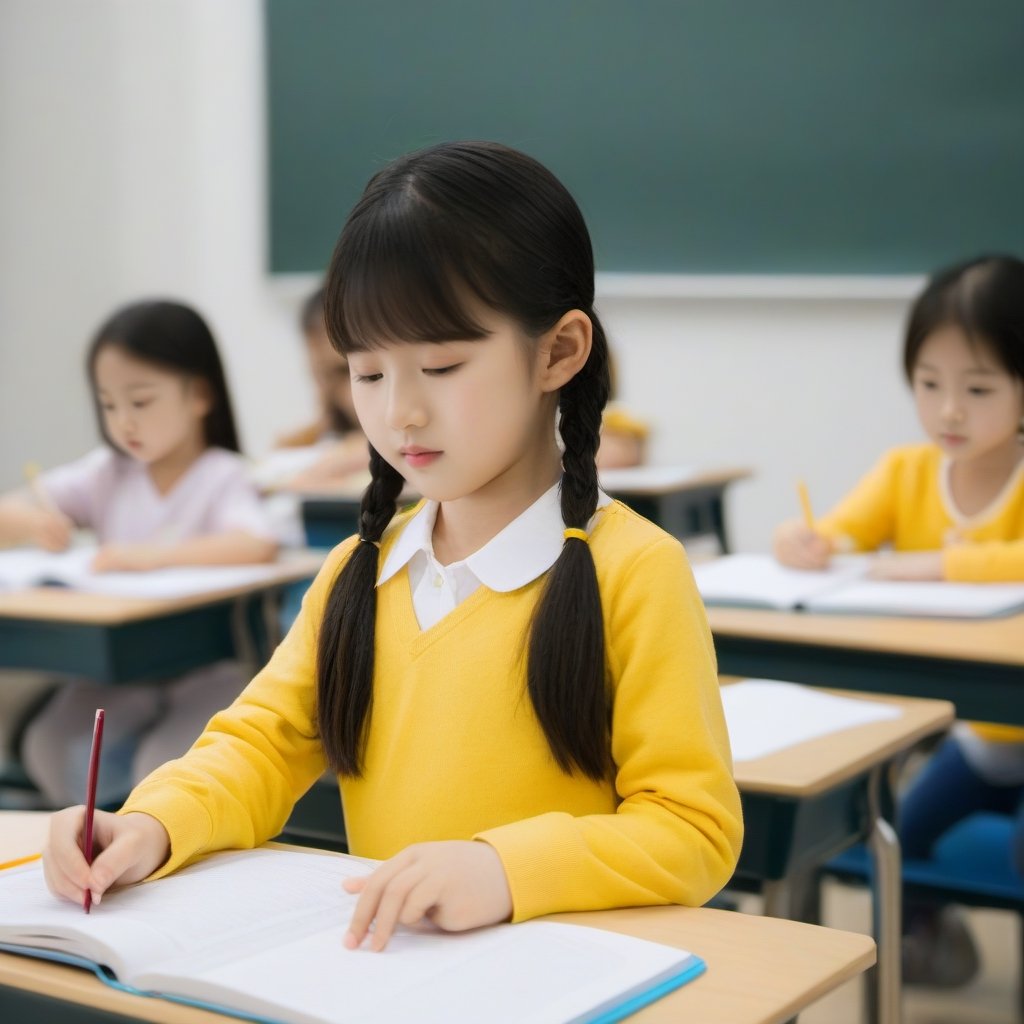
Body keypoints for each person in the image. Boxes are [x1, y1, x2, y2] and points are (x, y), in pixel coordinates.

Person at [41, 141, 743, 951]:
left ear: (558, 352)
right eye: (367, 375)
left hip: (560, 983)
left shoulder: (635, 571)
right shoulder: (358, 574)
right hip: (390, 981)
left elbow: (692, 829)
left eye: (440, 366)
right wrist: (150, 824)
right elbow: (260, 746)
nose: (400, 412)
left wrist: (503, 870)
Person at [774, 254, 1024, 986]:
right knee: (900, 840)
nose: (949, 410)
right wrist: (808, 541)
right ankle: (933, 939)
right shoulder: (907, 471)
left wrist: (943, 563)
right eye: (929, 384)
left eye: (977, 388)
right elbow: (846, 530)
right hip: (982, 742)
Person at [0, 299, 278, 807]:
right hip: (121, 673)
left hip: (206, 674)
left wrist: (146, 556)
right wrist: (30, 521)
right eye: (108, 405)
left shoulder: (222, 474)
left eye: (141, 401)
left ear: (199, 395)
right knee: (50, 748)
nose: (123, 421)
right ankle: (108, 832)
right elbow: (11, 514)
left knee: (166, 769)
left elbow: (255, 543)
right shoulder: (107, 472)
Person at [271, 285, 369, 492]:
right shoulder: (331, 399)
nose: (323, 383)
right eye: (319, 372)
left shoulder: (361, 384)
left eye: (338, 371)